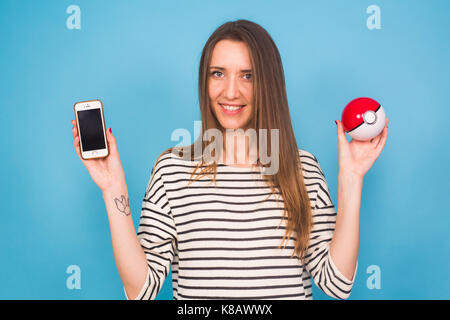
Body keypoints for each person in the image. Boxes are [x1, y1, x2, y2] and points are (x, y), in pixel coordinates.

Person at [71, 19, 389, 300]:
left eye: (248, 75)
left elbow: (337, 284)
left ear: (268, 83)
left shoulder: (302, 168)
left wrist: (352, 178)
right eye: (218, 73)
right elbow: (140, 291)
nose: (231, 92)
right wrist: (113, 188)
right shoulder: (172, 170)